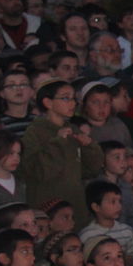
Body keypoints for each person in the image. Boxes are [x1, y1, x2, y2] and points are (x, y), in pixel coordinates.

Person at [19, 80, 104, 227]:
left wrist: (90, 147)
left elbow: (91, 170)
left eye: (73, 99)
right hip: (48, 208)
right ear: (48, 102)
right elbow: (38, 171)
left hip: (75, 205)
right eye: (65, 98)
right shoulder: (34, 132)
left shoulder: (73, 130)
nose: (72, 103)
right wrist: (57, 143)